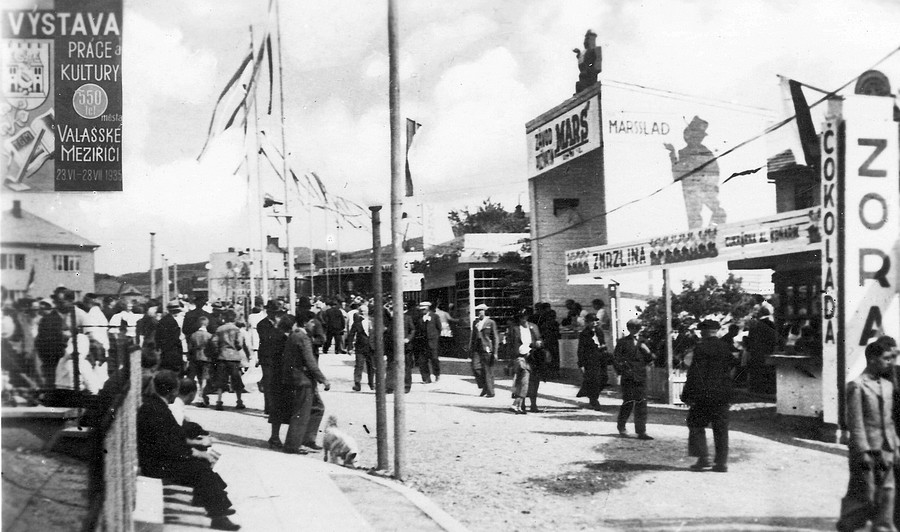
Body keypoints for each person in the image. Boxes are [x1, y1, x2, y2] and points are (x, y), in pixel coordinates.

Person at [137, 370, 240, 531]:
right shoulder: (158, 410)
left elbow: (173, 439)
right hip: (156, 465)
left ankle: (217, 505)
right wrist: (196, 452)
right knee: (201, 470)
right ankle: (218, 514)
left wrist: (194, 451)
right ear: (172, 391)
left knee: (202, 468)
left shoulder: (155, 405)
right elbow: (170, 445)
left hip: (155, 459)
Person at [837, 340, 899, 532]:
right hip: (867, 447)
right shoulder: (857, 386)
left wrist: (896, 445)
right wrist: (862, 450)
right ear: (872, 360)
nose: (890, 362)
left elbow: (889, 420)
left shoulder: (888, 385)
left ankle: (883, 526)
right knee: (864, 490)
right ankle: (848, 524)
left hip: (887, 446)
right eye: (886, 358)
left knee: (888, 489)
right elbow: (855, 422)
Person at [680, 319, 739, 472]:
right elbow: (734, 366)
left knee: (696, 424)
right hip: (722, 394)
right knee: (721, 428)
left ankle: (703, 459)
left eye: (701, 331)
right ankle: (721, 463)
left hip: (703, 395)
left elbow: (694, 373)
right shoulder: (725, 347)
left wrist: (687, 394)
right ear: (716, 331)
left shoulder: (700, 349)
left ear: (704, 332)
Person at [664, 115, 726, 230]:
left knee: (719, 213)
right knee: (694, 221)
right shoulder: (684, 153)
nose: (695, 138)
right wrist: (672, 154)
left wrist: (708, 185)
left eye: (698, 136)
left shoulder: (706, 152)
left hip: (705, 188)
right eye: (693, 135)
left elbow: (714, 172)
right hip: (691, 191)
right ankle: (699, 239)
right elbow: (677, 174)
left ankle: (711, 233)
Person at [282, 316, 331, 455]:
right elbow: (310, 362)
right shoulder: (302, 338)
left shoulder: (295, 335)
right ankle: (293, 445)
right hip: (303, 380)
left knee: (317, 408)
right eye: (312, 321)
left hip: (298, 378)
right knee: (301, 412)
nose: (314, 324)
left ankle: (307, 439)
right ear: (305, 322)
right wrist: (323, 380)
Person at [613, 318, 656, 440]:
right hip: (628, 376)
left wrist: (647, 351)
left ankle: (641, 431)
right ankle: (621, 427)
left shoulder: (644, 342)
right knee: (627, 403)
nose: (636, 330)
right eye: (634, 328)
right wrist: (621, 372)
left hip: (640, 376)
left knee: (641, 404)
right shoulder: (622, 342)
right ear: (629, 329)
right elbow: (616, 359)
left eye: (638, 328)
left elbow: (652, 359)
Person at [507, 308, 545, 412]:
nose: (523, 319)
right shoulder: (514, 329)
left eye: (525, 316)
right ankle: (520, 404)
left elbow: (540, 339)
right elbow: (510, 345)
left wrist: (539, 343)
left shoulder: (534, 327)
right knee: (523, 380)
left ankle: (533, 405)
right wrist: (511, 359)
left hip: (534, 357)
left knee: (534, 381)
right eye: (521, 317)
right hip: (521, 357)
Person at [210, 309, 249, 411]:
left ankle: (219, 401)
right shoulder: (236, 330)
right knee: (236, 379)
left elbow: (214, 342)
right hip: (234, 357)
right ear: (234, 318)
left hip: (222, 356)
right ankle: (239, 401)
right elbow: (239, 344)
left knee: (221, 379)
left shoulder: (219, 329)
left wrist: (218, 350)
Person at [267, 316, 295, 449]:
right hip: (282, 377)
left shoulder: (274, 334)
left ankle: (275, 436)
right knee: (281, 408)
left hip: (275, 375)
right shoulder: (283, 338)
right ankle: (276, 438)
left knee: (277, 408)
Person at [576, 313, 610, 410]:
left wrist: (604, 349)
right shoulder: (584, 334)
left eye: (596, 321)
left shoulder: (599, 331)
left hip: (601, 358)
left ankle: (591, 395)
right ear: (587, 322)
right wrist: (581, 363)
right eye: (592, 321)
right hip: (590, 360)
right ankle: (594, 399)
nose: (594, 323)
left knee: (604, 378)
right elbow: (581, 349)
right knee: (594, 380)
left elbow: (603, 343)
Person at [256, 300, 284, 413]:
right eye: (273, 312)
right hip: (267, 356)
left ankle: (277, 405)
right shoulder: (262, 324)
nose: (275, 314)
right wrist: (277, 328)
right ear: (268, 312)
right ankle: (269, 407)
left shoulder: (281, 323)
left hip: (280, 356)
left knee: (278, 381)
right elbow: (268, 339)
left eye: (277, 312)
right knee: (268, 381)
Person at [469, 303, 499, 397]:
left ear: (484, 311)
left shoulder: (490, 322)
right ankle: (484, 386)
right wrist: (470, 348)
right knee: (475, 367)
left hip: (487, 348)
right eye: (477, 311)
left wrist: (495, 352)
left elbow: (495, 337)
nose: (479, 312)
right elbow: (473, 336)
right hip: (476, 348)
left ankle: (490, 391)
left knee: (487, 370)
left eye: (481, 310)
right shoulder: (475, 322)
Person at [346, 307, 374, 391]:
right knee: (359, 366)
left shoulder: (374, 321)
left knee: (372, 367)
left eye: (364, 311)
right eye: (361, 311)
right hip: (360, 347)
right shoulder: (357, 323)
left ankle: (371, 383)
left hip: (371, 347)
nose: (362, 312)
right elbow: (351, 334)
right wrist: (350, 347)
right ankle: (357, 384)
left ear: (367, 311)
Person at [187, 316, 213, 406]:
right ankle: (202, 397)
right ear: (207, 324)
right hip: (206, 358)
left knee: (197, 378)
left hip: (195, 357)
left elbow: (190, 348)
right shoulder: (209, 336)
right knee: (204, 378)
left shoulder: (193, 335)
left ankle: (194, 397)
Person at [413, 301, 441, 384]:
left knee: (434, 359)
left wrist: (435, 338)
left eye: (424, 309)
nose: (422, 311)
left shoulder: (435, 316)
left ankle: (437, 374)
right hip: (422, 342)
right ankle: (426, 378)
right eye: (421, 309)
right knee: (422, 361)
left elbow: (439, 328)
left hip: (432, 342)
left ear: (428, 308)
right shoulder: (418, 318)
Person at [157, 301, 185, 374]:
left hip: (164, 351)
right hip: (173, 351)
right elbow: (175, 338)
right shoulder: (173, 322)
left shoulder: (162, 321)